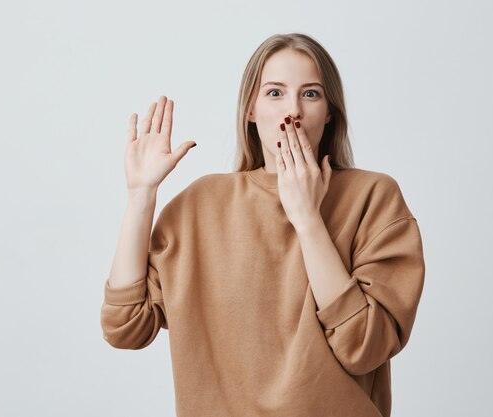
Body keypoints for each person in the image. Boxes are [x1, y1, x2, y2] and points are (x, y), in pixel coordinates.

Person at [100, 32, 425, 417]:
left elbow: (363, 347)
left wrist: (307, 219)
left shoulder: (374, 197)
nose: (294, 110)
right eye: (274, 93)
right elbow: (125, 326)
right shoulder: (200, 205)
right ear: (250, 110)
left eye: (311, 94)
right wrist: (140, 195)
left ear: (330, 111)